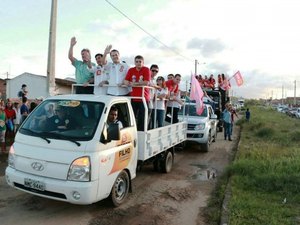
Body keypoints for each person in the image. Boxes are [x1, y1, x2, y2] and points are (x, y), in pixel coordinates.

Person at [124, 55, 151, 131]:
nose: (138, 63)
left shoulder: (146, 69)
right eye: (137, 61)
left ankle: (142, 134)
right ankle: (133, 133)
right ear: (134, 62)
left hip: (144, 98)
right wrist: (130, 83)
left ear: (143, 62)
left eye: (140, 62)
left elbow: (146, 82)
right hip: (134, 98)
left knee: (143, 118)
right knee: (132, 117)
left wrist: (134, 84)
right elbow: (125, 81)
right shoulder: (131, 70)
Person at [148, 64, 160, 129]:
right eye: (153, 70)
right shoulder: (147, 77)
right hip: (146, 100)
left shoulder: (155, 80)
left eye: (156, 71)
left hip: (151, 101)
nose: (154, 72)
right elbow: (150, 84)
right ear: (150, 70)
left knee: (149, 120)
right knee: (146, 119)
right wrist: (157, 87)